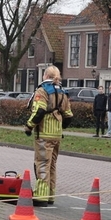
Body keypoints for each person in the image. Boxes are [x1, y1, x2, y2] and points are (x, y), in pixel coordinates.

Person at [25, 65, 72, 206]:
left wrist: (29, 126)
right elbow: (68, 115)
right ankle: (51, 195)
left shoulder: (42, 90)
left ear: (45, 75)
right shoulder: (62, 92)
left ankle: (41, 196)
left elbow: (39, 111)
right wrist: (60, 126)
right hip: (57, 135)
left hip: (44, 134)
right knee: (52, 165)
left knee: (42, 164)